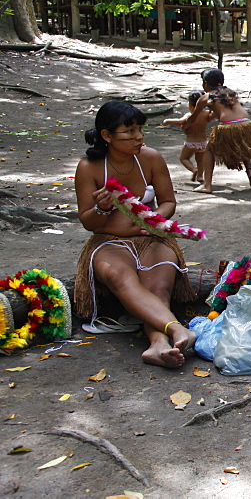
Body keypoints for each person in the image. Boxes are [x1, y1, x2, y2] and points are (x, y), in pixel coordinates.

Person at [74, 101, 198, 368]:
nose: (138, 137)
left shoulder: (151, 158)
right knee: (122, 278)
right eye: (129, 132)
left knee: (158, 285)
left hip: (153, 237)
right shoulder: (89, 167)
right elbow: (88, 221)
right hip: (109, 241)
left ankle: (158, 345)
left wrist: (155, 221)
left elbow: (168, 202)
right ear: (107, 136)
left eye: (140, 130)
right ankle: (177, 330)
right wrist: (102, 208)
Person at [192, 68, 251, 194]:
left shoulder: (206, 97)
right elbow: (223, 113)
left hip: (228, 126)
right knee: (242, 146)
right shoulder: (230, 93)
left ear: (205, 84)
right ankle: (250, 173)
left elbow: (194, 117)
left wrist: (185, 124)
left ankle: (207, 185)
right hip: (247, 123)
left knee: (209, 150)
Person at [161, 91, 214, 183]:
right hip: (203, 143)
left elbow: (180, 121)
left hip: (191, 143)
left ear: (191, 105)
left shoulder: (190, 115)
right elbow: (213, 115)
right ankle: (200, 176)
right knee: (200, 161)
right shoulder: (206, 114)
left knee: (184, 158)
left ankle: (194, 170)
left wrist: (167, 121)